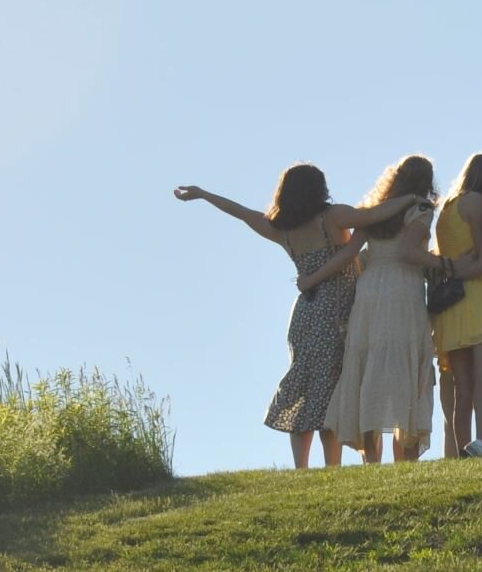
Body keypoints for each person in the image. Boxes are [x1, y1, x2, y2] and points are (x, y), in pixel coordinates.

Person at [175, 168, 419, 468]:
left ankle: (301, 467)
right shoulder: (333, 218)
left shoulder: (281, 229)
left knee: (305, 387)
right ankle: (332, 467)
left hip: (305, 313)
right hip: (336, 311)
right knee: (330, 392)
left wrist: (203, 194)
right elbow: (374, 215)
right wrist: (410, 197)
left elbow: (240, 212)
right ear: (320, 189)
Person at [327, 155, 447, 461]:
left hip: (370, 290)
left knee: (369, 368)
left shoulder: (375, 212)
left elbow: (352, 253)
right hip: (403, 290)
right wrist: (440, 263)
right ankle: (404, 459)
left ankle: (371, 458)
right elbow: (409, 252)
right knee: (403, 370)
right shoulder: (420, 210)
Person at [432, 153, 482, 457]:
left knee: (462, 387)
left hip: (452, 300)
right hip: (477, 295)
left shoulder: (448, 207)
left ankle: (464, 449)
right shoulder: (477, 203)